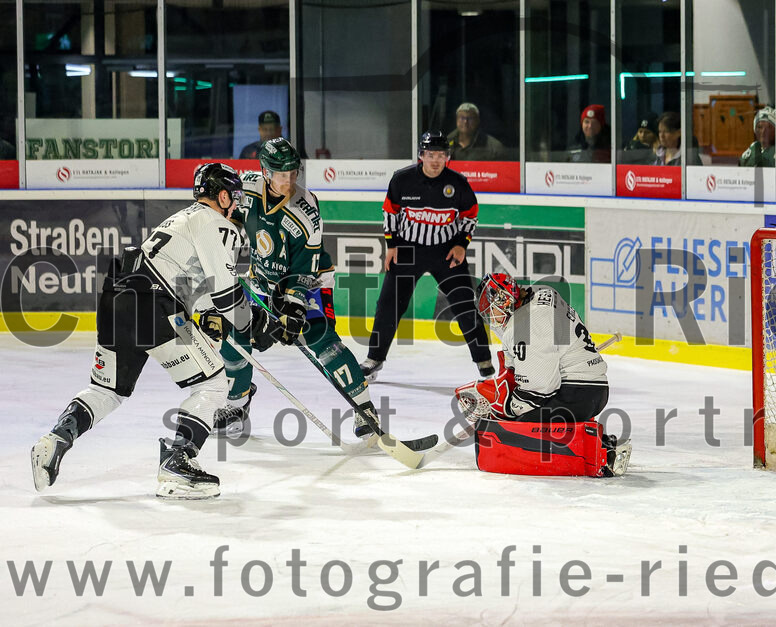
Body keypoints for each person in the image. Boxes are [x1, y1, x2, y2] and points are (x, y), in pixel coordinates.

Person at [30, 163, 254, 499]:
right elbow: (226, 294)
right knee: (213, 384)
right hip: (153, 306)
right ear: (221, 195)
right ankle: (177, 464)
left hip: (117, 295)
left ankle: (56, 438)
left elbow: (187, 281)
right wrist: (258, 325)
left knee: (107, 390)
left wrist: (205, 315)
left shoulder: (180, 219)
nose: (235, 205)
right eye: (232, 197)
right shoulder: (216, 222)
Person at [206, 137, 384, 440]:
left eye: (292, 173)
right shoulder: (246, 188)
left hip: (309, 281)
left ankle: (364, 408)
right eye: (280, 174)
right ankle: (237, 405)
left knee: (324, 344)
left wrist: (293, 307)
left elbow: (305, 267)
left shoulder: (306, 210)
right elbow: (220, 208)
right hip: (261, 282)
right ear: (264, 171)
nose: (288, 181)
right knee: (234, 334)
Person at [453, 273, 630, 477]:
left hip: (576, 394)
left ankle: (599, 455)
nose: (491, 317)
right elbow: (521, 367)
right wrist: (500, 392)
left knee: (511, 429)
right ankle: (598, 443)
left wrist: (502, 411)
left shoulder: (525, 324)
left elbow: (539, 389)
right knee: (519, 418)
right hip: (590, 389)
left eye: (492, 309)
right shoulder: (542, 293)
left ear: (505, 300)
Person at [360, 132, 492, 381]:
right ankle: (374, 359)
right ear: (421, 155)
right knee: (388, 304)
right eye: (431, 155)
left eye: (441, 155)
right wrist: (391, 245)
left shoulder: (458, 183)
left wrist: (462, 244)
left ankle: (483, 361)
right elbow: (390, 212)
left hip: (446, 251)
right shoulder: (402, 179)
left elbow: (470, 214)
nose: (435, 160)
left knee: (464, 304)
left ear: (448, 158)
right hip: (408, 249)